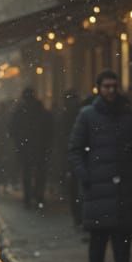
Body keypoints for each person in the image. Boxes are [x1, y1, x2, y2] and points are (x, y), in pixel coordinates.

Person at [69, 70, 132, 262]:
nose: (111, 91)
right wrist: (86, 175)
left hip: (123, 187)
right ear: (99, 89)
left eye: (114, 86)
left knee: (123, 239)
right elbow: (75, 149)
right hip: (98, 188)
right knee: (98, 242)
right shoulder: (87, 115)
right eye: (106, 87)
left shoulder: (128, 115)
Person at [10, 87, 52, 209]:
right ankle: (39, 196)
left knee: (26, 173)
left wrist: (18, 143)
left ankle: (28, 198)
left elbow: (12, 129)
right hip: (40, 147)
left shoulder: (19, 111)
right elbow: (49, 129)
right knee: (39, 173)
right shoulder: (41, 110)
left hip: (25, 148)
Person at [58, 89, 85, 228]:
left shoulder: (65, 116)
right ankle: (82, 217)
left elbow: (59, 139)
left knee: (74, 188)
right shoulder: (82, 114)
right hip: (81, 156)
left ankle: (78, 217)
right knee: (80, 188)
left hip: (72, 156)